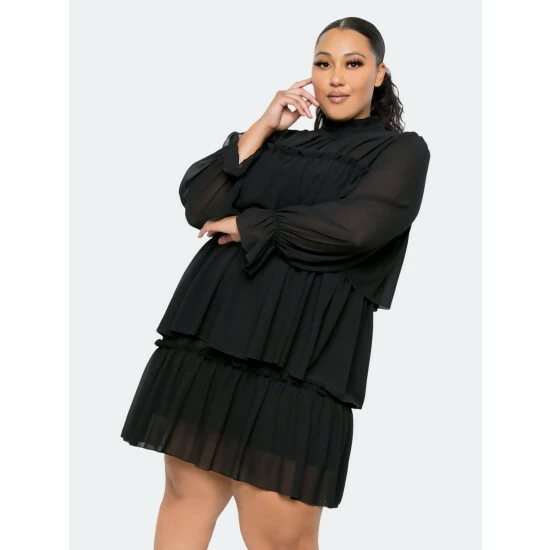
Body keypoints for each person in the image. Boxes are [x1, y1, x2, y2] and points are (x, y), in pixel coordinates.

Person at [121, 16, 431, 550]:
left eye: (353, 63)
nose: (336, 77)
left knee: (280, 536)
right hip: (211, 341)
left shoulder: (400, 152)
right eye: (323, 63)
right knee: (185, 501)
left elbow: (358, 229)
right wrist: (264, 125)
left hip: (300, 364)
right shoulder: (278, 143)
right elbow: (199, 201)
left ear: (379, 74)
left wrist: (252, 224)